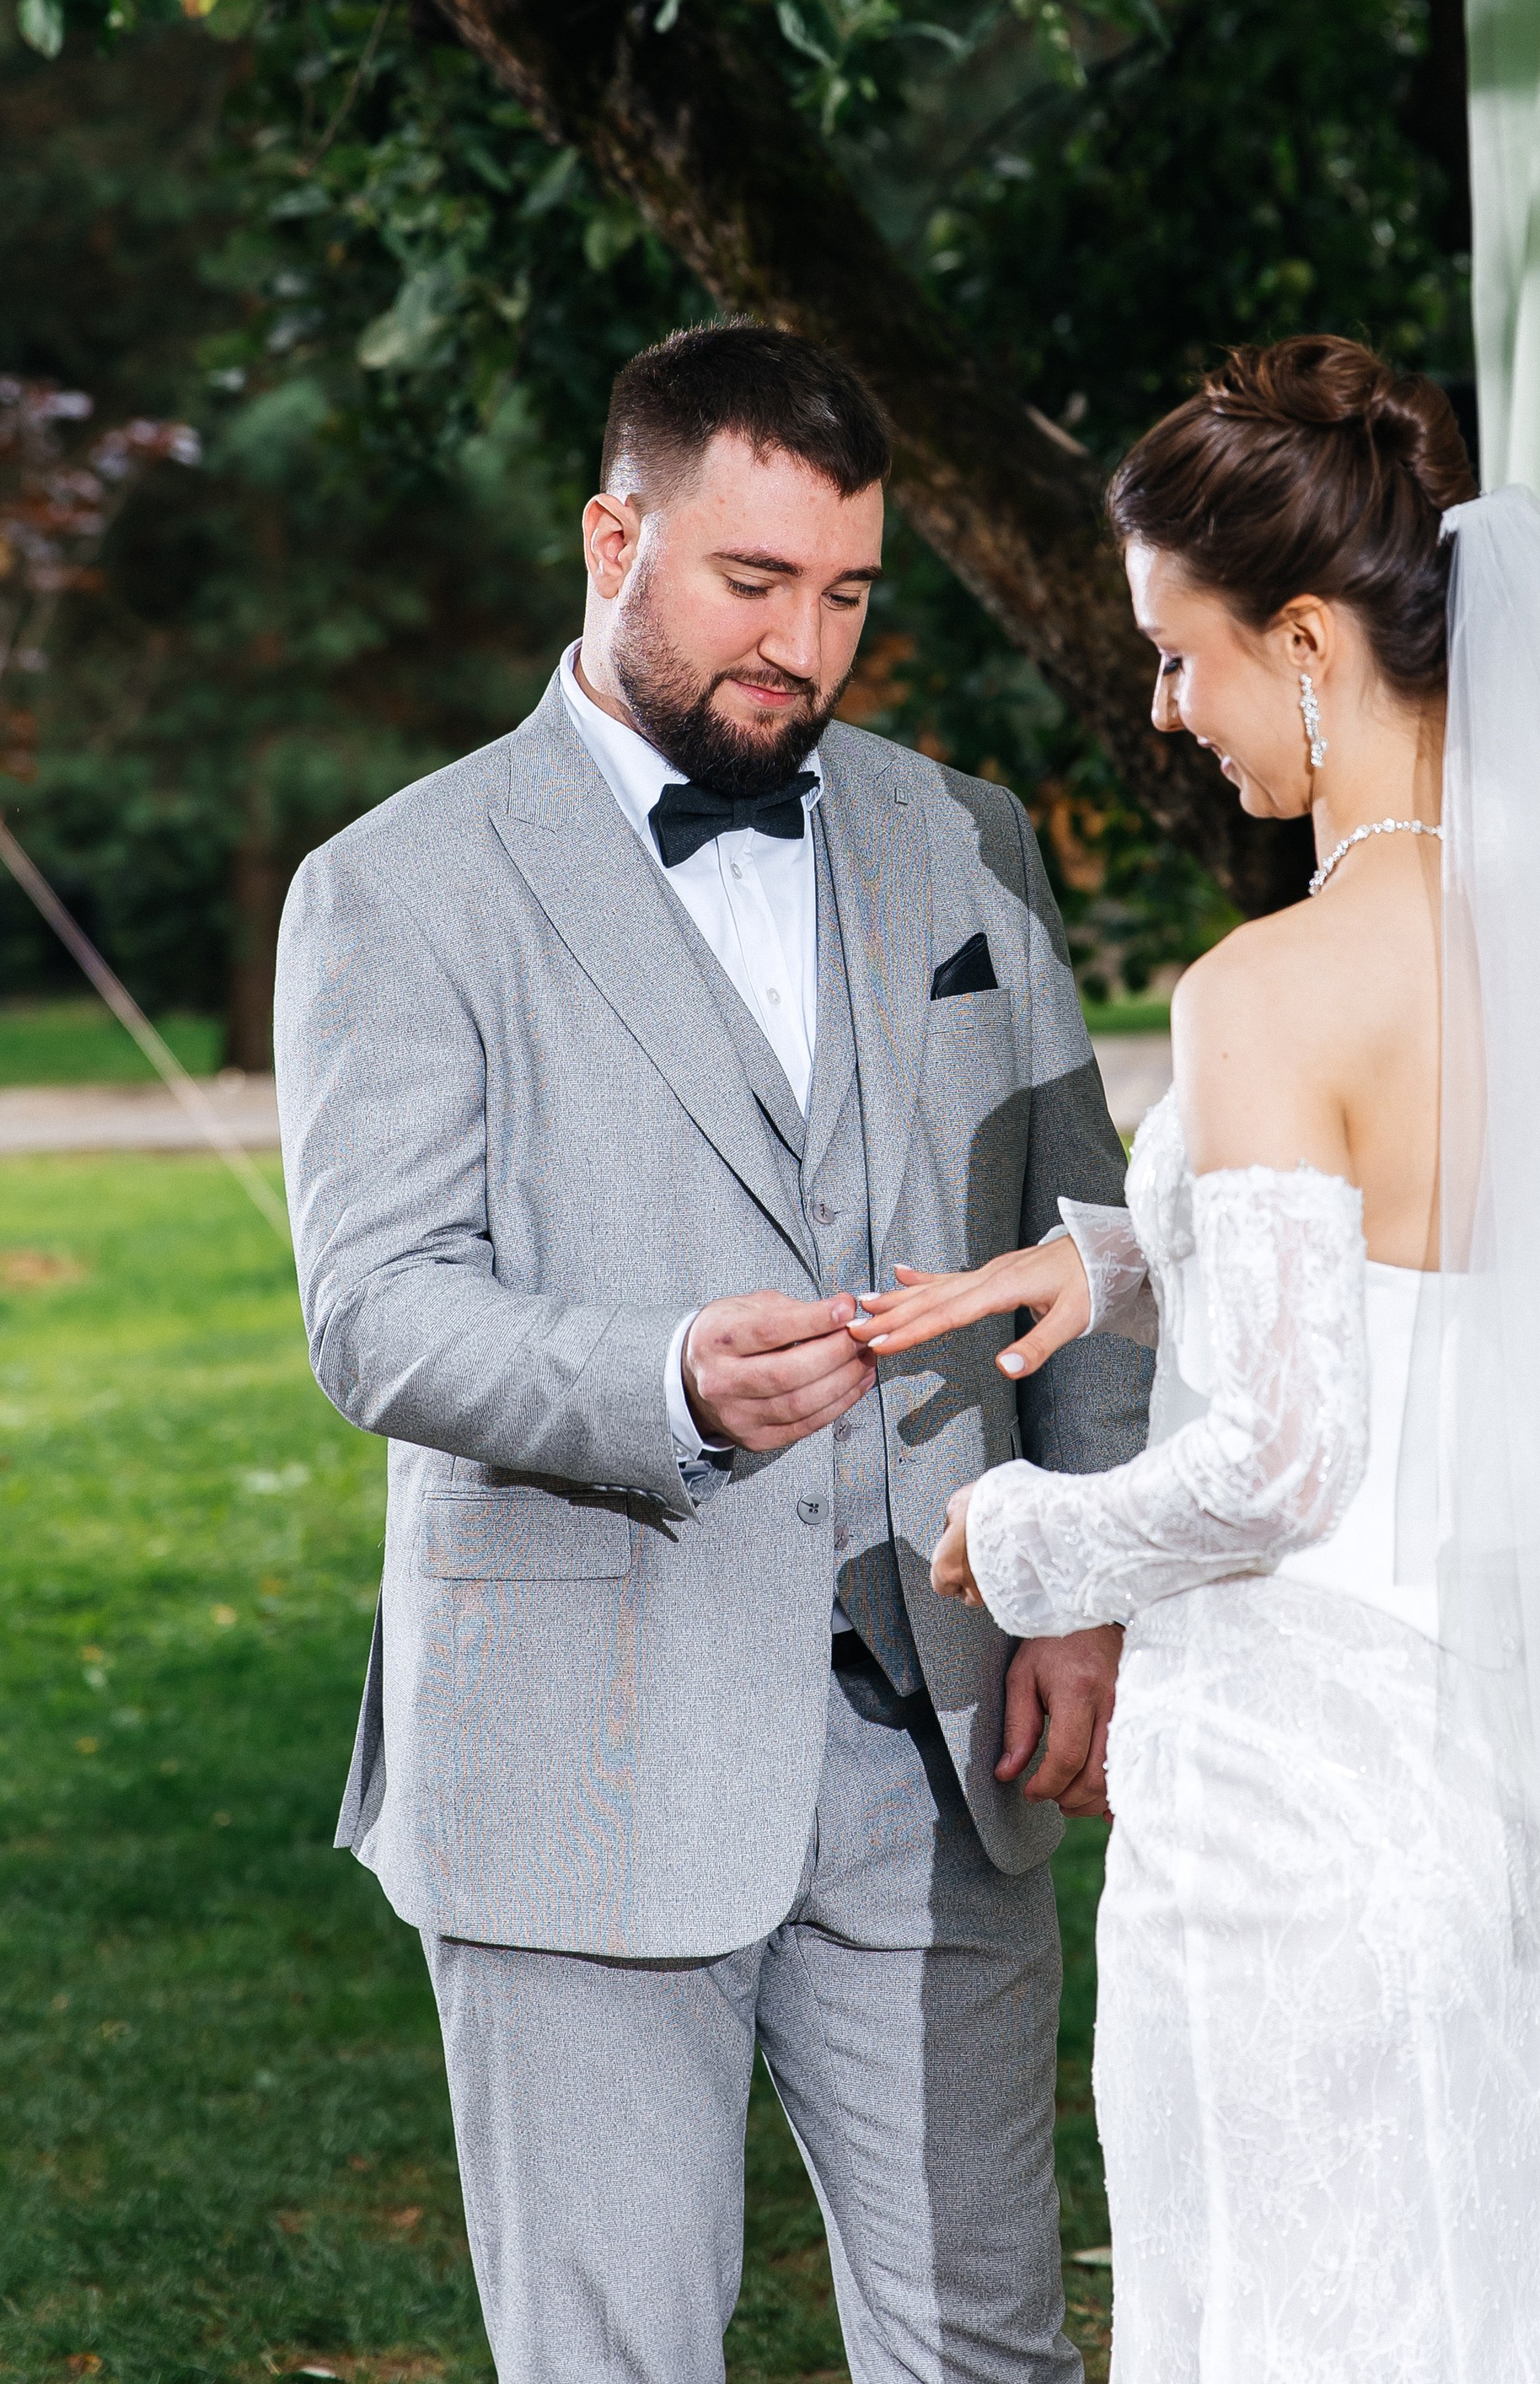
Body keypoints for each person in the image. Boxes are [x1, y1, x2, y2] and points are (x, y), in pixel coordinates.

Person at [853, 336, 1540, 2384]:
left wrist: (1022, 1532)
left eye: (1176, 654)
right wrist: (1119, 1269)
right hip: (1513, 1794)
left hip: (1297, 1827)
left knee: (1294, 2314)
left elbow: (1283, 1458)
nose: (1161, 709)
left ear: (1303, 640)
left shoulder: (1268, 989)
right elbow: (1440, 1262)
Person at [273, 319, 1151, 2384]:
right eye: (749, 584)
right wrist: (662, 1377)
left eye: (844, 595)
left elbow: (1084, 1233)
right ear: (612, 534)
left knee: (992, 2354)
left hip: (942, 1736)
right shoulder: (394, 886)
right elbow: (374, 1305)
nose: (801, 644)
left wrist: (1082, 1587)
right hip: (577, 1742)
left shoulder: (964, 840)